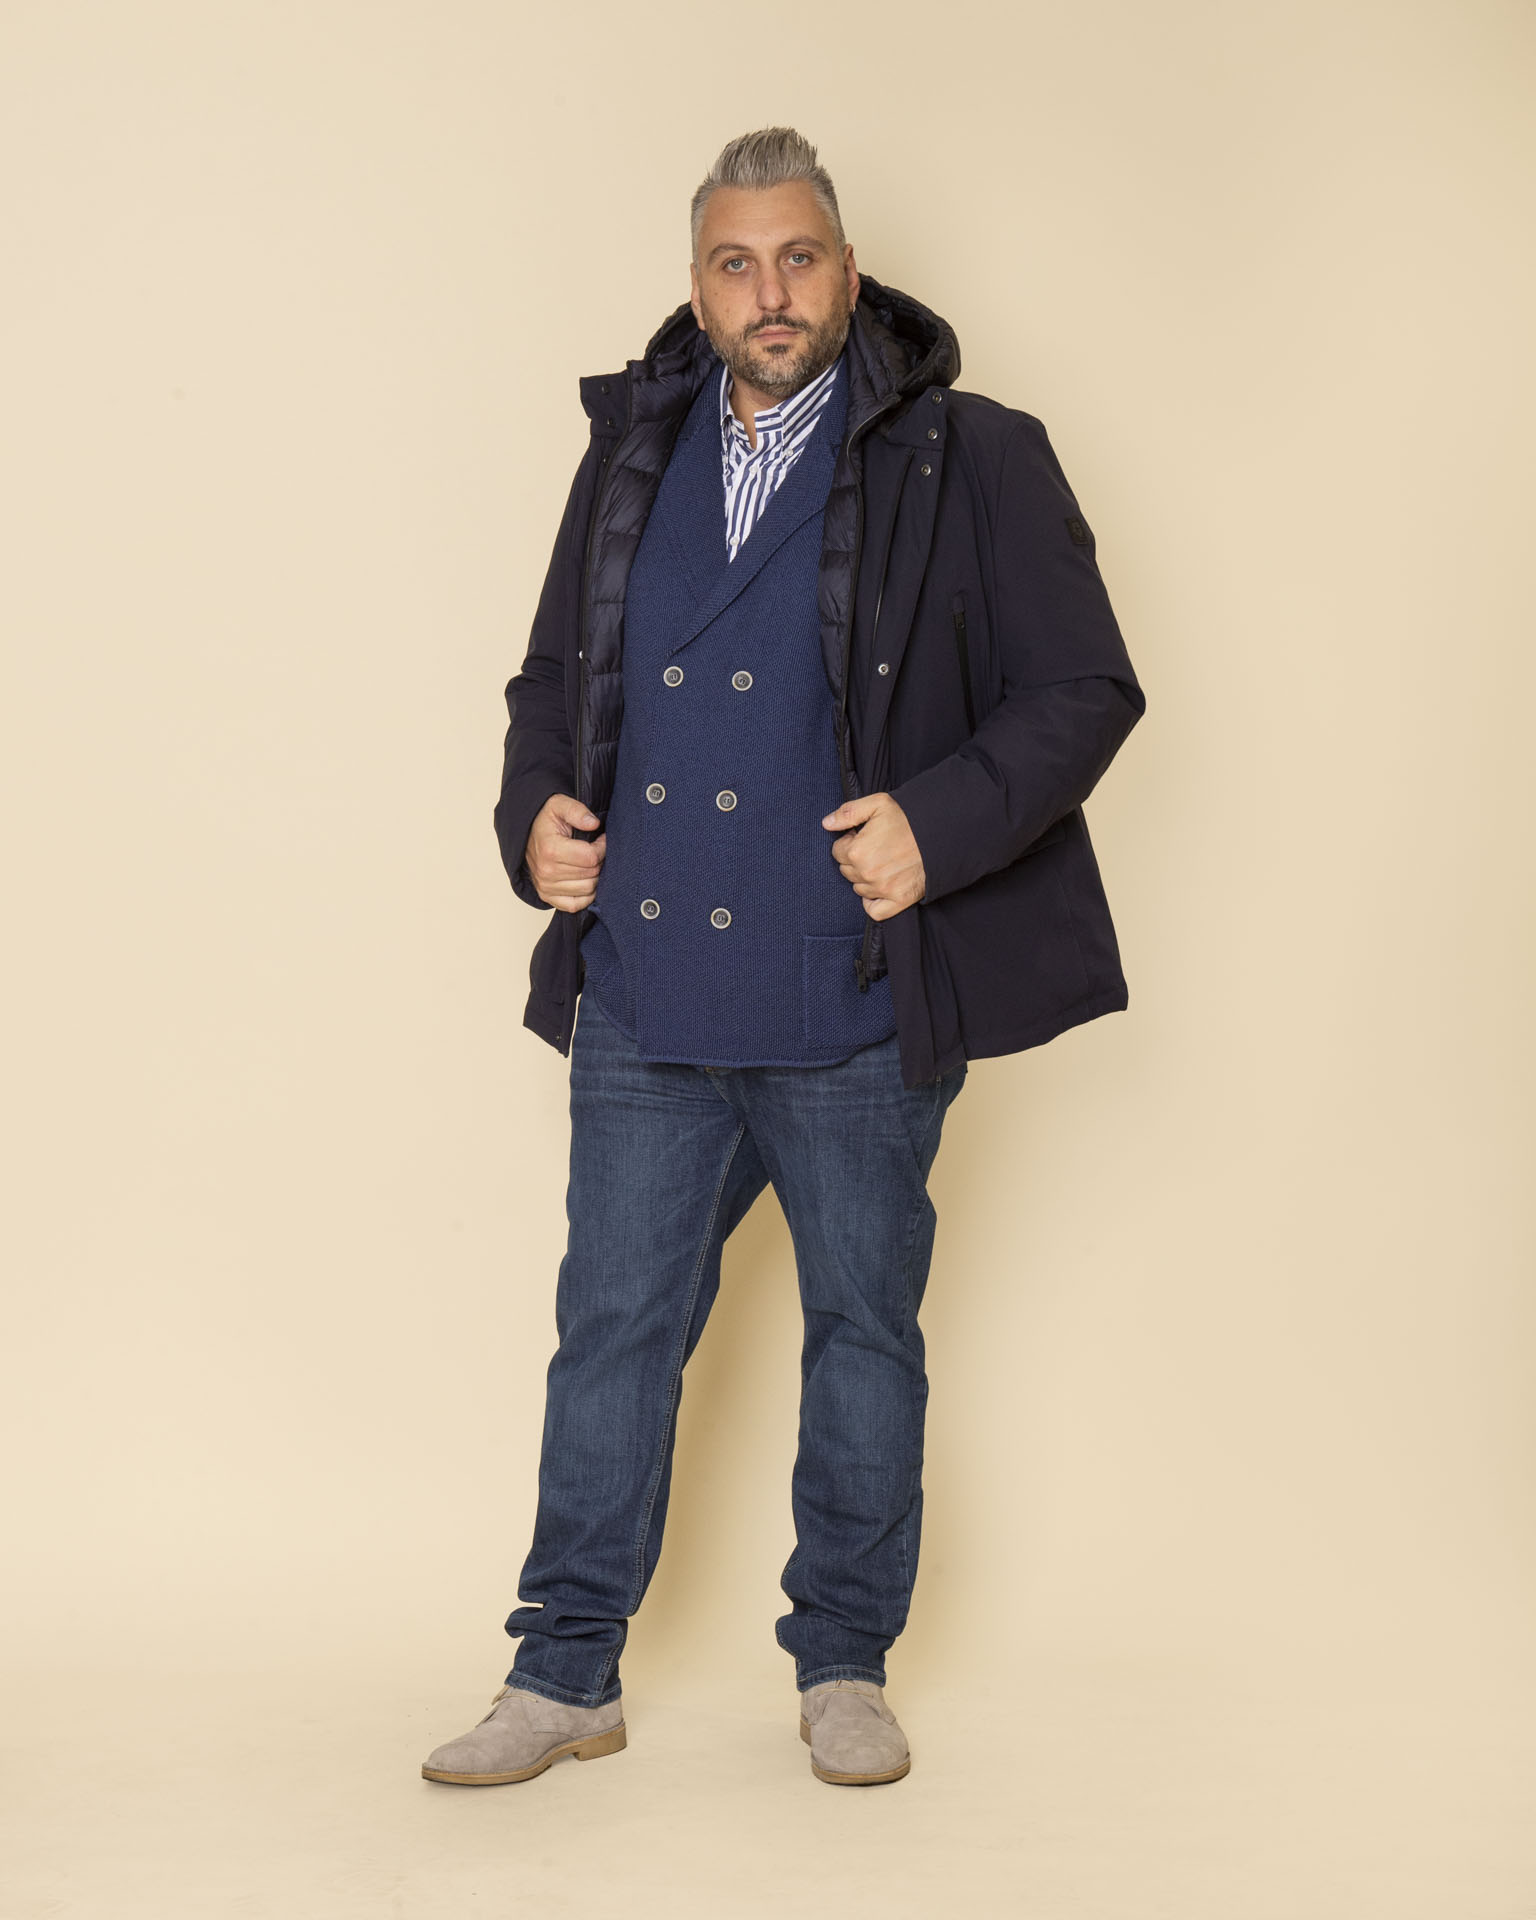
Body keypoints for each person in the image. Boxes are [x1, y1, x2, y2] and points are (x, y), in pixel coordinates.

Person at [423, 127, 1144, 1790]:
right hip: (650, 988)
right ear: (697, 287)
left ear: (849, 271)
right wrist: (534, 813)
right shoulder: (629, 452)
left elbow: (1084, 690)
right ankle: (563, 1672)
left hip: (853, 994)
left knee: (862, 1333)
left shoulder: (976, 455)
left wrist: (939, 828)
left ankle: (844, 1663)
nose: (772, 292)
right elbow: (552, 679)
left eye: (799, 258)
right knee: (611, 1330)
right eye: (737, 263)